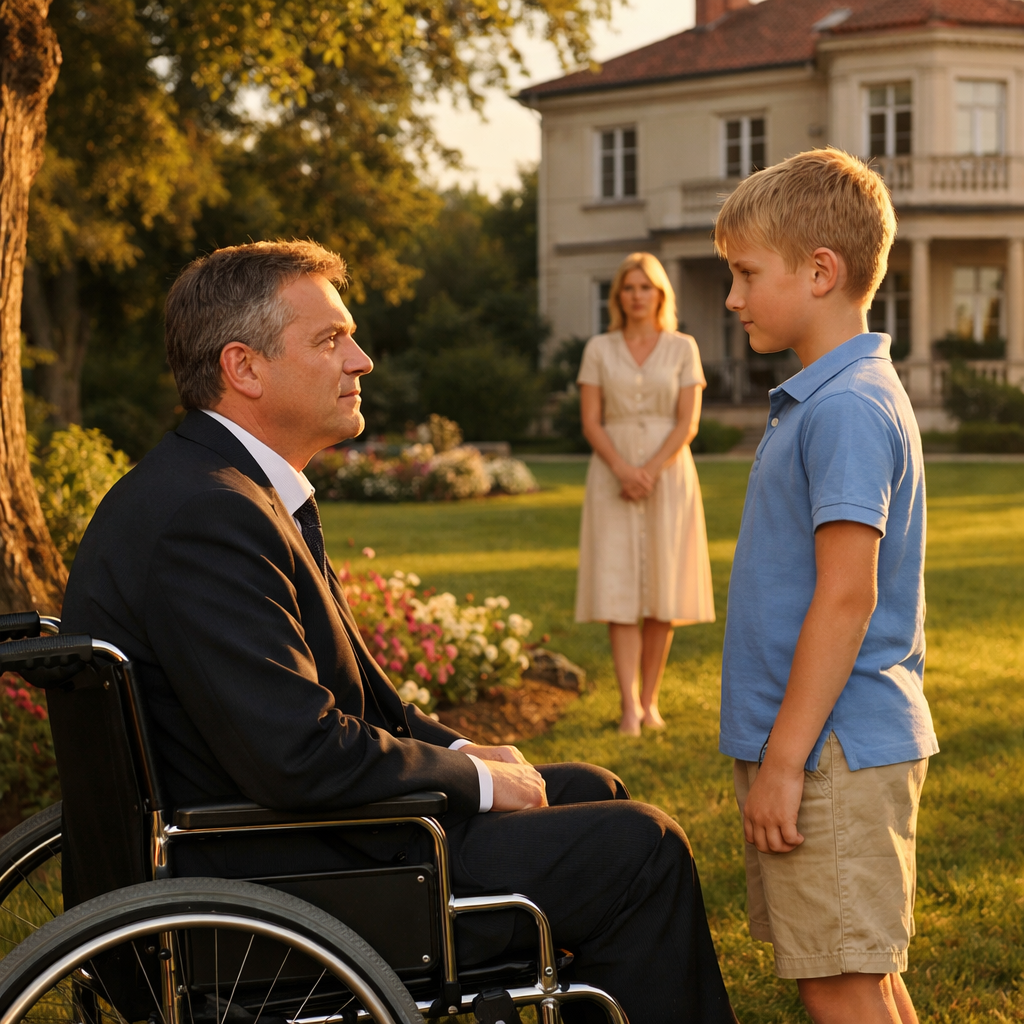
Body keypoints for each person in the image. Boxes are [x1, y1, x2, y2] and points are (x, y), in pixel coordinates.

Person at [61, 240, 738, 1024]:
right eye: (330, 340)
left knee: (591, 789)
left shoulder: (222, 489)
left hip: (285, 843)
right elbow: (298, 752)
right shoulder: (209, 515)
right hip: (285, 884)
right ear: (243, 368)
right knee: (643, 848)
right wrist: (478, 784)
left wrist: (462, 750)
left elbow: (341, 708)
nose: (363, 360)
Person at [716, 149, 938, 1024]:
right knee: (861, 973)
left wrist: (784, 762)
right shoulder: (830, 397)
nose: (732, 298)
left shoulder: (846, 408)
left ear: (819, 272)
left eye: (746, 274)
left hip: (827, 750)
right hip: (820, 744)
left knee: (840, 983)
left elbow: (848, 597)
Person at [575, 252, 715, 736]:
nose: (637, 296)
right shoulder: (598, 348)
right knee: (618, 588)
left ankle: (651, 701)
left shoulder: (683, 347)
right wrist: (623, 470)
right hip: (610, 477)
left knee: (663, 589)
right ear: (618, 296)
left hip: (668, 477)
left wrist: (649, 471)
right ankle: (628, 706)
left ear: (660, 294)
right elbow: (591, 420)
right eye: (629, 288)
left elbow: (688, 421)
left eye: (646, 287)